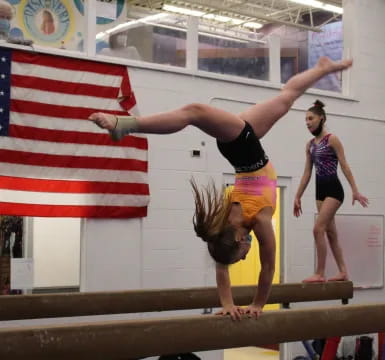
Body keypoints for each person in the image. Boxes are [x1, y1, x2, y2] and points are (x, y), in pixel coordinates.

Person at [89, 56, 353, 319]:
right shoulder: (237, 226)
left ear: (239, 240)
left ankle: (124, 125)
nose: (243, 258)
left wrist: (255, 304)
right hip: (242, 148)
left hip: (244, 149)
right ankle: (321, 70)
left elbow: (263, 267)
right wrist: (237, 304)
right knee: (286, 97)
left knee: (194, 112)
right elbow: (242, 266)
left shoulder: (244, 224)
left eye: (240, 257)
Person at [293, 100, 368, 283]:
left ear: (321, 119)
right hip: (320, 191)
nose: (308, 122)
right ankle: (343, 271)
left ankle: (320, 273)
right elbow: (307, 172)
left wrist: (355, 190)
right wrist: (298, 195)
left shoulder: (332, 139)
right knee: (331, 233)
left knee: (317, 229)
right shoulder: (309, 145)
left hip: (334, 190)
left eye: (311, 118)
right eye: (306, 120)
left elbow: (344, 165)